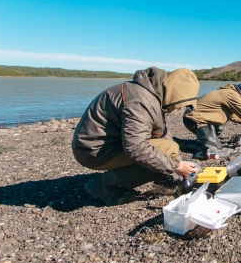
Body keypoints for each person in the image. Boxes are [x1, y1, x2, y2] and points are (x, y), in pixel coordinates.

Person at [72, 67, 200, 206]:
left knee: (169, 148)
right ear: (175, 93)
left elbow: (161, 134)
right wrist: (176, 166)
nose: (179, 108)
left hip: (106, 144)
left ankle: (160, 174)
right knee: (167, 150)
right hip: (95, 151)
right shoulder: (143, 101)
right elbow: (136, 148)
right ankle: (105, 185)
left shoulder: (150, 93)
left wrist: (178, 167)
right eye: (181, 103)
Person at [182, 83, 241, 150]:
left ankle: (209, 138)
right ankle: (178, 143)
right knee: (213, 149)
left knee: (223, 119)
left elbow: (233, 116)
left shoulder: (228, 93)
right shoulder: (231, 94)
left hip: (200, 117)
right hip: (193, 118)